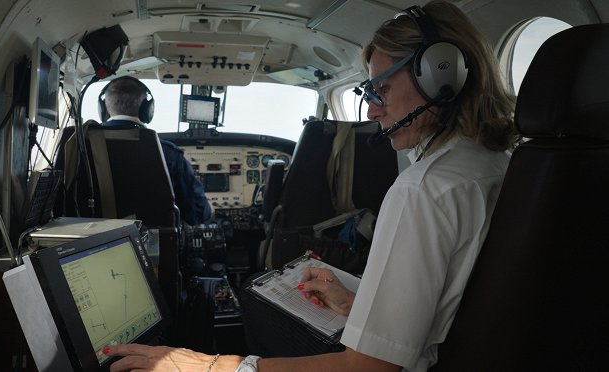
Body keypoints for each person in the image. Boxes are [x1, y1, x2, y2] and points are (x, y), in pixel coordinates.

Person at [104, 1, 519, 370]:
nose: (373, 110)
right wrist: (356, 303)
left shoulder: (423, 190)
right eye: (370, 91)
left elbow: (371, 366)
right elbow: (456, 303)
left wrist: (211, 365)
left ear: (440, 76)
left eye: (383, 88)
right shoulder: (500, 164)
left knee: (254, 292)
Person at [100, 76, 212, 225]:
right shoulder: (167, 153)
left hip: (92, 241)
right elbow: (196, 214)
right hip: (155, 243)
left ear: (103, 108)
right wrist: (209, 209)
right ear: (147, 109)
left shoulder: (79, 146)